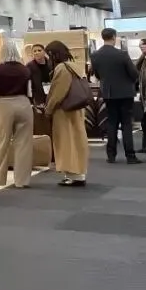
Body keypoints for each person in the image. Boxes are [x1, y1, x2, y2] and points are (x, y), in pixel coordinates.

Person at [0, 41, 33, 187]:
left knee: (1, 142)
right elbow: (30, 90)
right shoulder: (25, 69)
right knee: (24, 143)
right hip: (23, 104)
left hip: (3, 105)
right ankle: (22, 181)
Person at [90, 27, 141, 164]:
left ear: (103, 37)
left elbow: (97, 75)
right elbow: (134, 74)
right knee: (126, 124)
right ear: (114, 37)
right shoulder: (122, 54)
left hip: (108, 93)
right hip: (125, 93)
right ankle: (130, 156)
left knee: (111, 122)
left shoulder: (95, 55)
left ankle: (111, 155)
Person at [44, 40, 90, 187]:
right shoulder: (74, 66)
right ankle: (78, 174)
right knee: (77, 140)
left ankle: (72, 174)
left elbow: (58, 92)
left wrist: (48, 109)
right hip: (76, 109)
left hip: (64, 111)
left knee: (66, 141)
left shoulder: (62, 68)